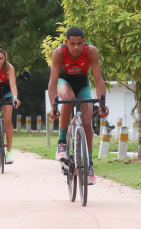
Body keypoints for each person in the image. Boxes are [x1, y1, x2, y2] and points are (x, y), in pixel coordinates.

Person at [48, 27, 109, 185]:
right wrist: (53, 106)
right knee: (68, 98)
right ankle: (62, 143)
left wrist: (102, 104)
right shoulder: (59, 53)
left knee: (87, 123)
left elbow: (99, 80)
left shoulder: (91, 52)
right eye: (72, 44)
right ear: (66, 42)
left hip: (83, 85)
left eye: (79, 43)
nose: (76, 47)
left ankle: (89, 167)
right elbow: (52, 83)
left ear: (84, 42)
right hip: (64, 82)